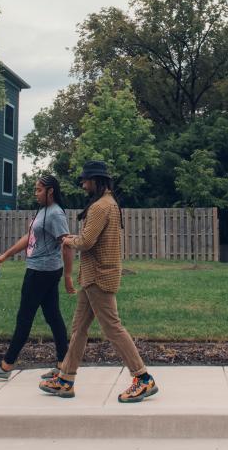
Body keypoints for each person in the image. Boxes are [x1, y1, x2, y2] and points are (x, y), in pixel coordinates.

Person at [38, 160, 158, 403]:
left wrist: (68, 240)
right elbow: (88, 238)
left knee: (112, 328)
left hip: (99, 276)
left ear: (95, 181)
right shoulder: (108, 203)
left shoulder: (100, 207)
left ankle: (143, 378)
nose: (82, 184)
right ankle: (66, 379)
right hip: (94, 275)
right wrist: (75, 238)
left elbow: (86, 242)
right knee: (79, 328)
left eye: (85, 180)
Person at [0, 174, 75, 380]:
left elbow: (66, 244)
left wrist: (68, 276)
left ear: (51, 191)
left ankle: (6, 366)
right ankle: (63, 365)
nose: (36, 194)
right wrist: (5, 256)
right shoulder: (43, 210)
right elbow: (30, 237)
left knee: (24, 318)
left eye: (39, 190)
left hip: (41, 272)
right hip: (43, 270)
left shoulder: (55, 214)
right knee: (53, 317)